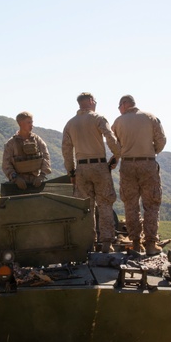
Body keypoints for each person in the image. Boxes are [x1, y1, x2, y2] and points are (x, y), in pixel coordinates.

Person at [61, 92, 122, 252]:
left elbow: (66, 151)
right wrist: (117, 154)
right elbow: (110, 138)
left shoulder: (70, 124)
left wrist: (71, 172)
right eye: (94, 100)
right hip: (100, 166)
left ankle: (89, 244)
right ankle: (107, 243)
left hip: (81, 168)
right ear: (89, 101)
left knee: (85, 207)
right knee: (105, 204)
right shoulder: (98, 118)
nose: (95, 103)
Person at [111, 95, 167, 255]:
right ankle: (150, 244)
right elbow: (161, 140)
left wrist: (119, 156)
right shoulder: (150, 117)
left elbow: (115, 144)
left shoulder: (118, 122)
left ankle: (135, 243)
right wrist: (151, 152)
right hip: (148, 164)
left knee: (130, 204)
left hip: (127, 165)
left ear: (124, 105)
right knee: (151, 204)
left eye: (119, 106)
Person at [2, 111, 51, 189]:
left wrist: (41, 176)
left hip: (36, 182)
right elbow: (6, 164)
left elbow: (46, 157)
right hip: (19, 184)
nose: (31, 125)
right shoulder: (11, 143)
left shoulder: (37, 140)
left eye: (31, 122)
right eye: (28, 122)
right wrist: (16, 178)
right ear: (20, 123)